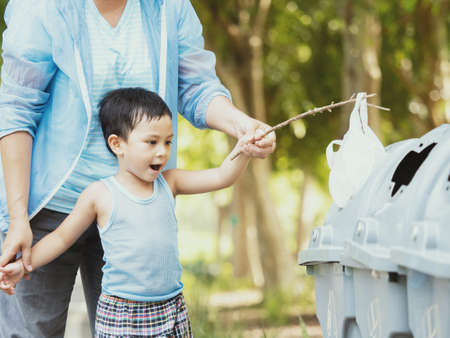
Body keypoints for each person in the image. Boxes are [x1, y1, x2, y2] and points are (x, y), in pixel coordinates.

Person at [0, 0, 275, 336]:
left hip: (133, 211)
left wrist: (242, 126)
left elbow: (198, 87)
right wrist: (17, 219)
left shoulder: (168, 8)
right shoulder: (42, 7)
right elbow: (17, 109)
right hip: (47, 205)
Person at [0, 87, 253, 337]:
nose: (162, 151)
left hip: (171, 306)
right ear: (117, 144)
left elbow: (222, 176)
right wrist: (24, 266)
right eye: (151, 142)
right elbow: (61, 238)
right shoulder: (100, 194)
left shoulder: (170, 183)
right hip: (123, 313)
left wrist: (245, 148)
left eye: (168, 142)